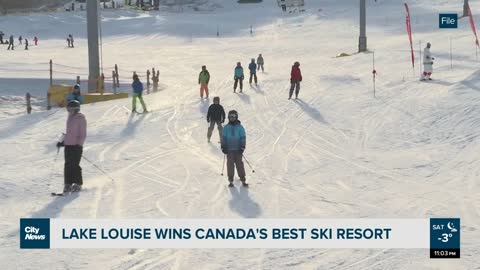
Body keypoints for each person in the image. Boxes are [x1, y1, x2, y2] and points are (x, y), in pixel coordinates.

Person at [56, 100, 87, 193]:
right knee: (67, 165)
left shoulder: (80, 118)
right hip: (68, 145)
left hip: (76, 146)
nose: (68, 111)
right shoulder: (70, 118)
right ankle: (68, 184)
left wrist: (79, 144)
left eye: (69, 109)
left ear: (76, 109)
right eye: (67, 109)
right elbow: (69, 133)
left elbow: (83, 134)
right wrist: (63, 141)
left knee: (75, 165)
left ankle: (78, 184)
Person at [221, 110, 248, 187]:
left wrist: (242, 147)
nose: (232, 118)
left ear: (236, 117)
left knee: (239, 164)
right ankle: (230, 179)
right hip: (229, 150)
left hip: (238, 150)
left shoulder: (240, 127)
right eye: (230, 117)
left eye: (233, 116)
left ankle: (242, 178)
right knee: (230, 164)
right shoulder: (226, 128)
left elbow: (243, 138)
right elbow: (224, 138)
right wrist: (223, 146)